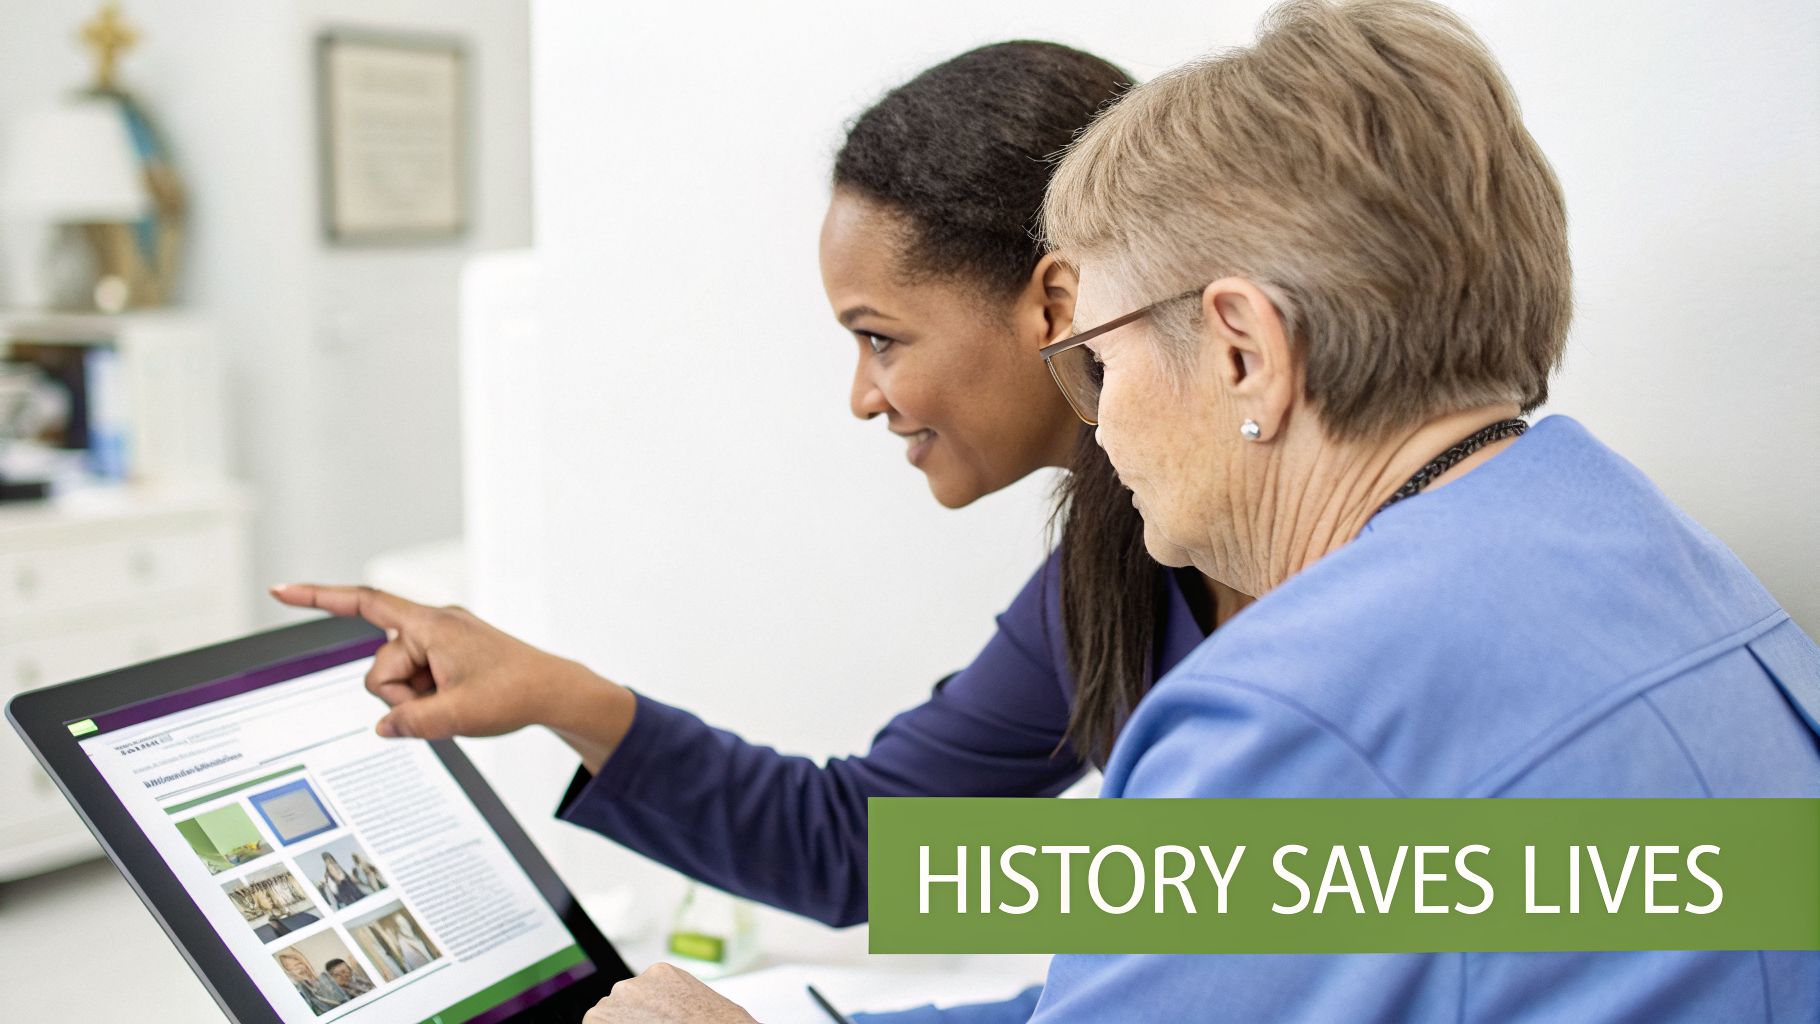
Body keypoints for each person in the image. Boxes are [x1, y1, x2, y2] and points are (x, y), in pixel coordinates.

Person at [585, 0, 1820, 1019]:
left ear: (1241, 350)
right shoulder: (1667, 564)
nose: (1102, 425)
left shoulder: (1302, 708)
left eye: (1101, 363)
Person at [271, 40, 1249, 933]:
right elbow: (869, 848)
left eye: (881, 337)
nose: (864, 397)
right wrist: (560, 695)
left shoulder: (1333, 557)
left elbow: (1301, 908)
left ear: (1056, 304)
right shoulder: (1109, 567)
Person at [275, 948, 348, 1016]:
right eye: (290, 968)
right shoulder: (299, 992)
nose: (297, 969)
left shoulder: (325, 977)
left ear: (304, 962)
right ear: (288, 971)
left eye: (298, 964)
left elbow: (344, 999)